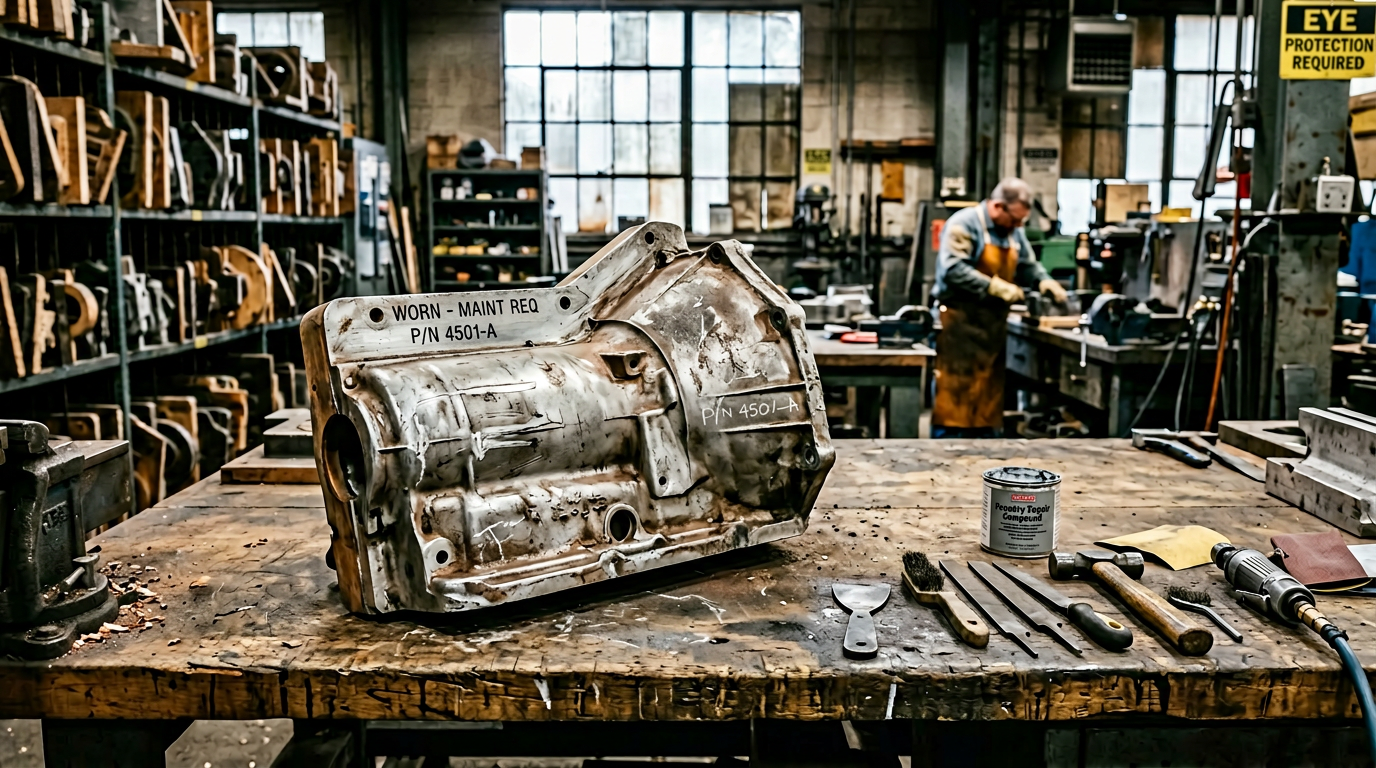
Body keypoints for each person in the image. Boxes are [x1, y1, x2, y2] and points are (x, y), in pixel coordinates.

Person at [931, 177, 1068, 438]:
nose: (1018, 226)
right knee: (954, 399)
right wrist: (996, 287)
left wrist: (1044, 281)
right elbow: (952, 269)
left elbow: (1027, 264)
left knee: (986, 398)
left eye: (1021, 222)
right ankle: (946, 446)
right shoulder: (963, 224)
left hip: (991, 328)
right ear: (997, 206)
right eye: (1015, 219)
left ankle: (984, 453)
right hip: (959, 327)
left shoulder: (1012, 231)